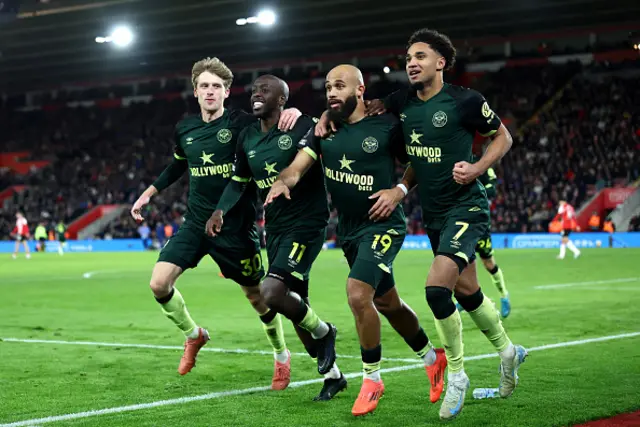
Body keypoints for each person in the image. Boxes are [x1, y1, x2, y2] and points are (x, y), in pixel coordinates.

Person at [317, 28, 527, 420]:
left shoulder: (466, 101)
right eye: (408, 58)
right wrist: (329, 115)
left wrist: (479, 166)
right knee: (466, 290)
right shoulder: (401, 103)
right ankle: (509, 352)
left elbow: (503, 137)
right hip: (433, 214)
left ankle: (458, 376)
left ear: (441, 62)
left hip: (466, 206)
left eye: (420, 57)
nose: (411, 63)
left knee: (435, 290)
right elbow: (361, 110)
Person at [264, 65, 447, 416]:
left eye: (340, 86)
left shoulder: (387, 126)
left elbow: (418, 161)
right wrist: (284, 180)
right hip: (347, 230)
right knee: (389, 303)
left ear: (361, 90)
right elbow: (298, 165)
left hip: (383, 225)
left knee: (357, 293)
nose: (332, 92)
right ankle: (431, 357)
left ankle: (372, 378)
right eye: (328, 87)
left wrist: (399, 190)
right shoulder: (325, 129)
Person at [130, 57, 302, 390]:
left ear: (226, 92)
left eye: (217, 86)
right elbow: (177, 165)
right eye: (204, 86)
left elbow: (273, 119)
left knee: (257, 298)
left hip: (235, 227)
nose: (210, 91)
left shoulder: (243, 124)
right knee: (158, 283)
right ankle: (194, 335)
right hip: (196, 223)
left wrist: (290, 113)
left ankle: (281, 355)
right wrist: (149, 193)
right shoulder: (186, 129)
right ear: (195, 92)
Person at [206, 75, 344, 401]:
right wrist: (219, 211)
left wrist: (311, 116)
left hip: (307, 223)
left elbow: (326, 129)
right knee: (296, 308)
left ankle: (326, 332)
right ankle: (333, 376)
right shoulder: (248, 137)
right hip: (276, 228)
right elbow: (239, 181)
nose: (256, 94)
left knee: (271, 291)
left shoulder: (299, 126)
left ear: (282, 99)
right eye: (254, 90)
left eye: (265, 90)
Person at [457, 154, 510, 318]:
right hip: (461, 223)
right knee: (461, 263)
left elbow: (492, 189)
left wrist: (471, 187)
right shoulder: (455, 165)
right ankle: (468, 297)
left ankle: (504, 295)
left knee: (488, 263)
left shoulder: (482, 165)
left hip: (480, 224)